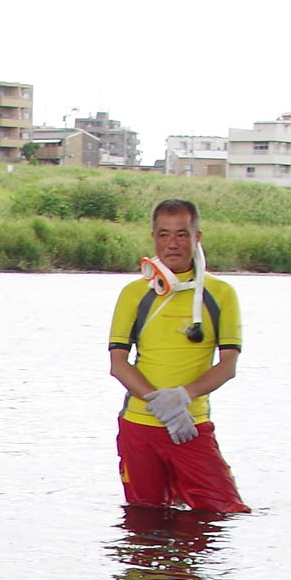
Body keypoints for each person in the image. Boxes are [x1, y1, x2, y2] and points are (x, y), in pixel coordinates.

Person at [106, 198, 249, 515]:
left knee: (223, 512)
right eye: (164, 234)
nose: (173, 243)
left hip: (190, 427)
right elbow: (118, 364)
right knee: (145, 518)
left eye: (182, 234)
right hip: (139, 428)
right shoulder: (133, 293)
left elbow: (227, 367)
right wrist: (160, 402)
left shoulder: (221, 294)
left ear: (197, 237)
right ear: (154, 237)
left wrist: (182, 398)